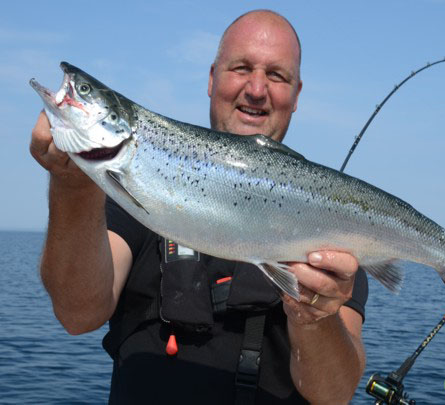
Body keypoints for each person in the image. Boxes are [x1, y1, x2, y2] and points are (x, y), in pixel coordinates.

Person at [30, 10, 368, 404]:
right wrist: (72, 185)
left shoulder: (328, 218)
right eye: (241, 68)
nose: (257, 89)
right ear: (212, 79)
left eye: (277, 75)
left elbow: (335, 395)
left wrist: (315, 318)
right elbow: (76, 314)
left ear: (296, 96)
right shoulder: (138, 192)